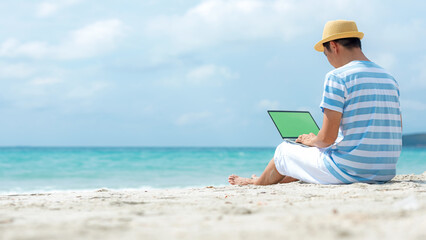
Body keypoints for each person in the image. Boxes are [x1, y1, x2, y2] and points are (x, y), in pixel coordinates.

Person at [229, 20, 402, 185]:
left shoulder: (337, 76)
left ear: (333, 46)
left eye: (325, 53)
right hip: (385, 171)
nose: (327, 58)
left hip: (350, 171)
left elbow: (326, 139)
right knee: (319, 152)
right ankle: (279, 177)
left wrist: (311, 140)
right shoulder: (388, 77)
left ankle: (257, 182)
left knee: (284, 151)